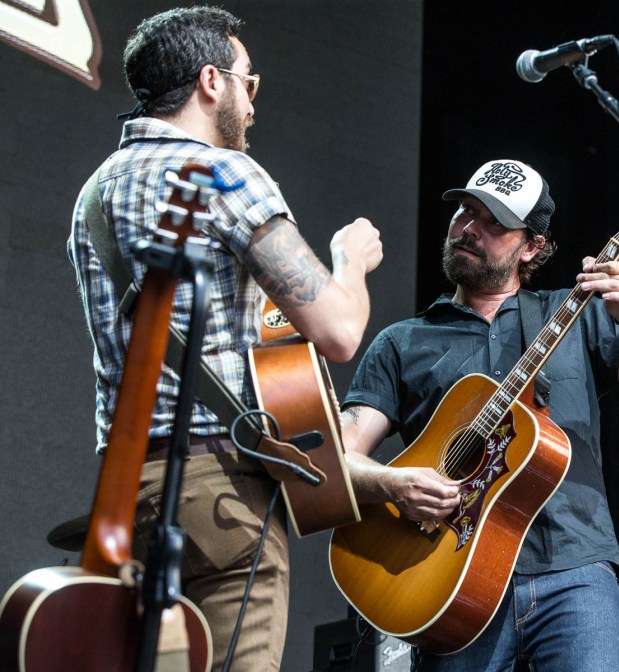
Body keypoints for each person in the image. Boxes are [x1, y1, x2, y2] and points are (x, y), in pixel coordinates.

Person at [67, 6, 382, 671]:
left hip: (124, 495)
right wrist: (349, 261)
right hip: (221, 491)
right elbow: (340, 331)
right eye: (249, 83)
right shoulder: (225, 175)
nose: (252, 102)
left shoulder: (93, 195)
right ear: (212, 81)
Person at [338, 159, 619, 671]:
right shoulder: (402, 342)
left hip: (573, 568)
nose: (469, 229)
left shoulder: (573, 315)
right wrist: (394, 485)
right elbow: (335, 460)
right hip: (448, 580)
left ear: (533, 246)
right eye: (465, 212)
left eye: (494, 223)